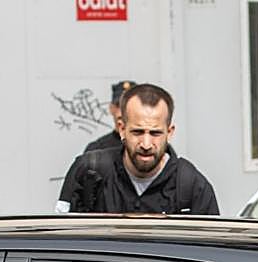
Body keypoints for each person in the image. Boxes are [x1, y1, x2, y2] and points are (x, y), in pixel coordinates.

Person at [55, 83, 219, 215]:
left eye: (155, 133)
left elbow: (210, 252)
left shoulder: (193, 187)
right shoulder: (89, 172)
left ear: (169, 132)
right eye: (137, 132)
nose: (146, 144)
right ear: (121, 129)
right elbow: (61, 243)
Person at [83, 79, 135, 154]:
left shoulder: (147, 147)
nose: (123, 112)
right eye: (119, 105)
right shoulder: (96, 150)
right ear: (111, 108)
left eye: (129, 106)